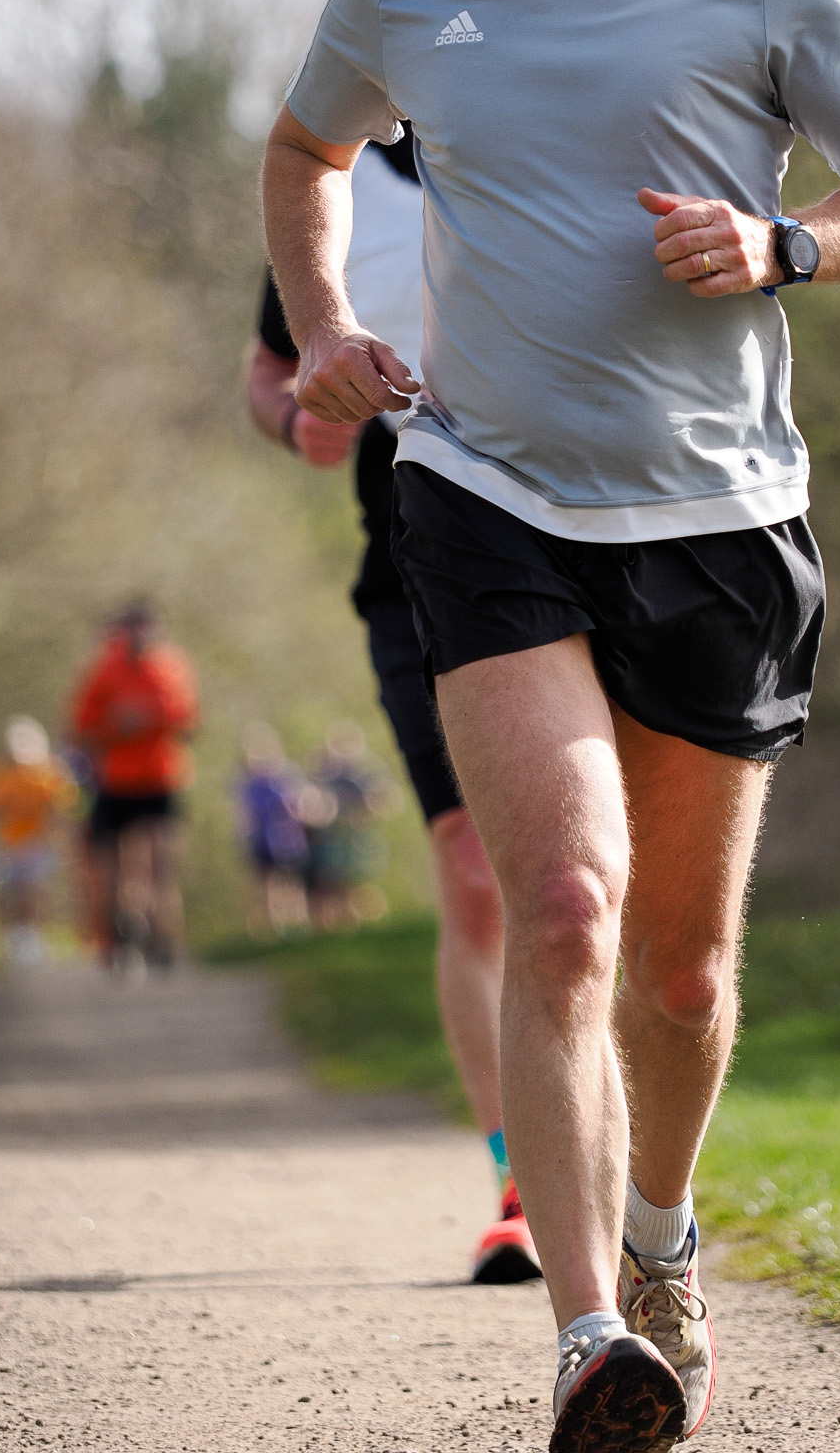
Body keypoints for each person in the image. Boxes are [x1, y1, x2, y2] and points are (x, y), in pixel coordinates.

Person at [262, 0, 840, 1452]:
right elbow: (303, 149)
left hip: (725, 511)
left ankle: (660, 1245)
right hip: (483, 489)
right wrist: (325, 332)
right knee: (558, 905)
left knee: (682, 968)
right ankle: (587, 1342)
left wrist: (785, 242)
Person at [246, 135, 540, 1286]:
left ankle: (631, 1159)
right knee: (477, 873)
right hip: (413, 568)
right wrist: (297, 420)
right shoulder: (334, 176)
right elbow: (267, 365)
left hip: (590, 543)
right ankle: (523, 1177)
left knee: (595, 879)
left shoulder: (555, 121)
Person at [69, 603, 199, 973]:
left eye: (146, 629)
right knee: (115, 866)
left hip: (160, 779)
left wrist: (150, 718)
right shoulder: (103, 670)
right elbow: (81, 726)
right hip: (115, 781)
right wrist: (115, 726)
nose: (139, 638)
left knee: (160, 862)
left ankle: (164, 939)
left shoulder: (173, 667)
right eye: (131, 630)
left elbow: (188, 720)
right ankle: (116, 939)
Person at [0, 717, 76, 963]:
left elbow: (61, 809)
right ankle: (15, 937)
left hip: (38, 843)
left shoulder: (50, 773)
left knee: (33, 889)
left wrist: (57, 837)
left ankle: (32, 937)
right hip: (8, 844)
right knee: (12, 892)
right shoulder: (0, 775)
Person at [298, 719, 399, 930]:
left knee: (361, 885)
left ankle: (371, 926)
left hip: (360, 839)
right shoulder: (326, 773)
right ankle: (345, 928)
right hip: (333, 839)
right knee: (335, 885)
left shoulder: (366, 772)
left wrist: (364, 807)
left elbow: (388, 801)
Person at [234, 722, 310, 935]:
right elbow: (245, 814)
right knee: (265, 884)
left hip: (287, 840)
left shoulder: (287, 777)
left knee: (291, 882)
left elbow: (300, 806)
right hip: (261, 840)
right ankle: (271, 927)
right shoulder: (248, 784)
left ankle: (297, 924)